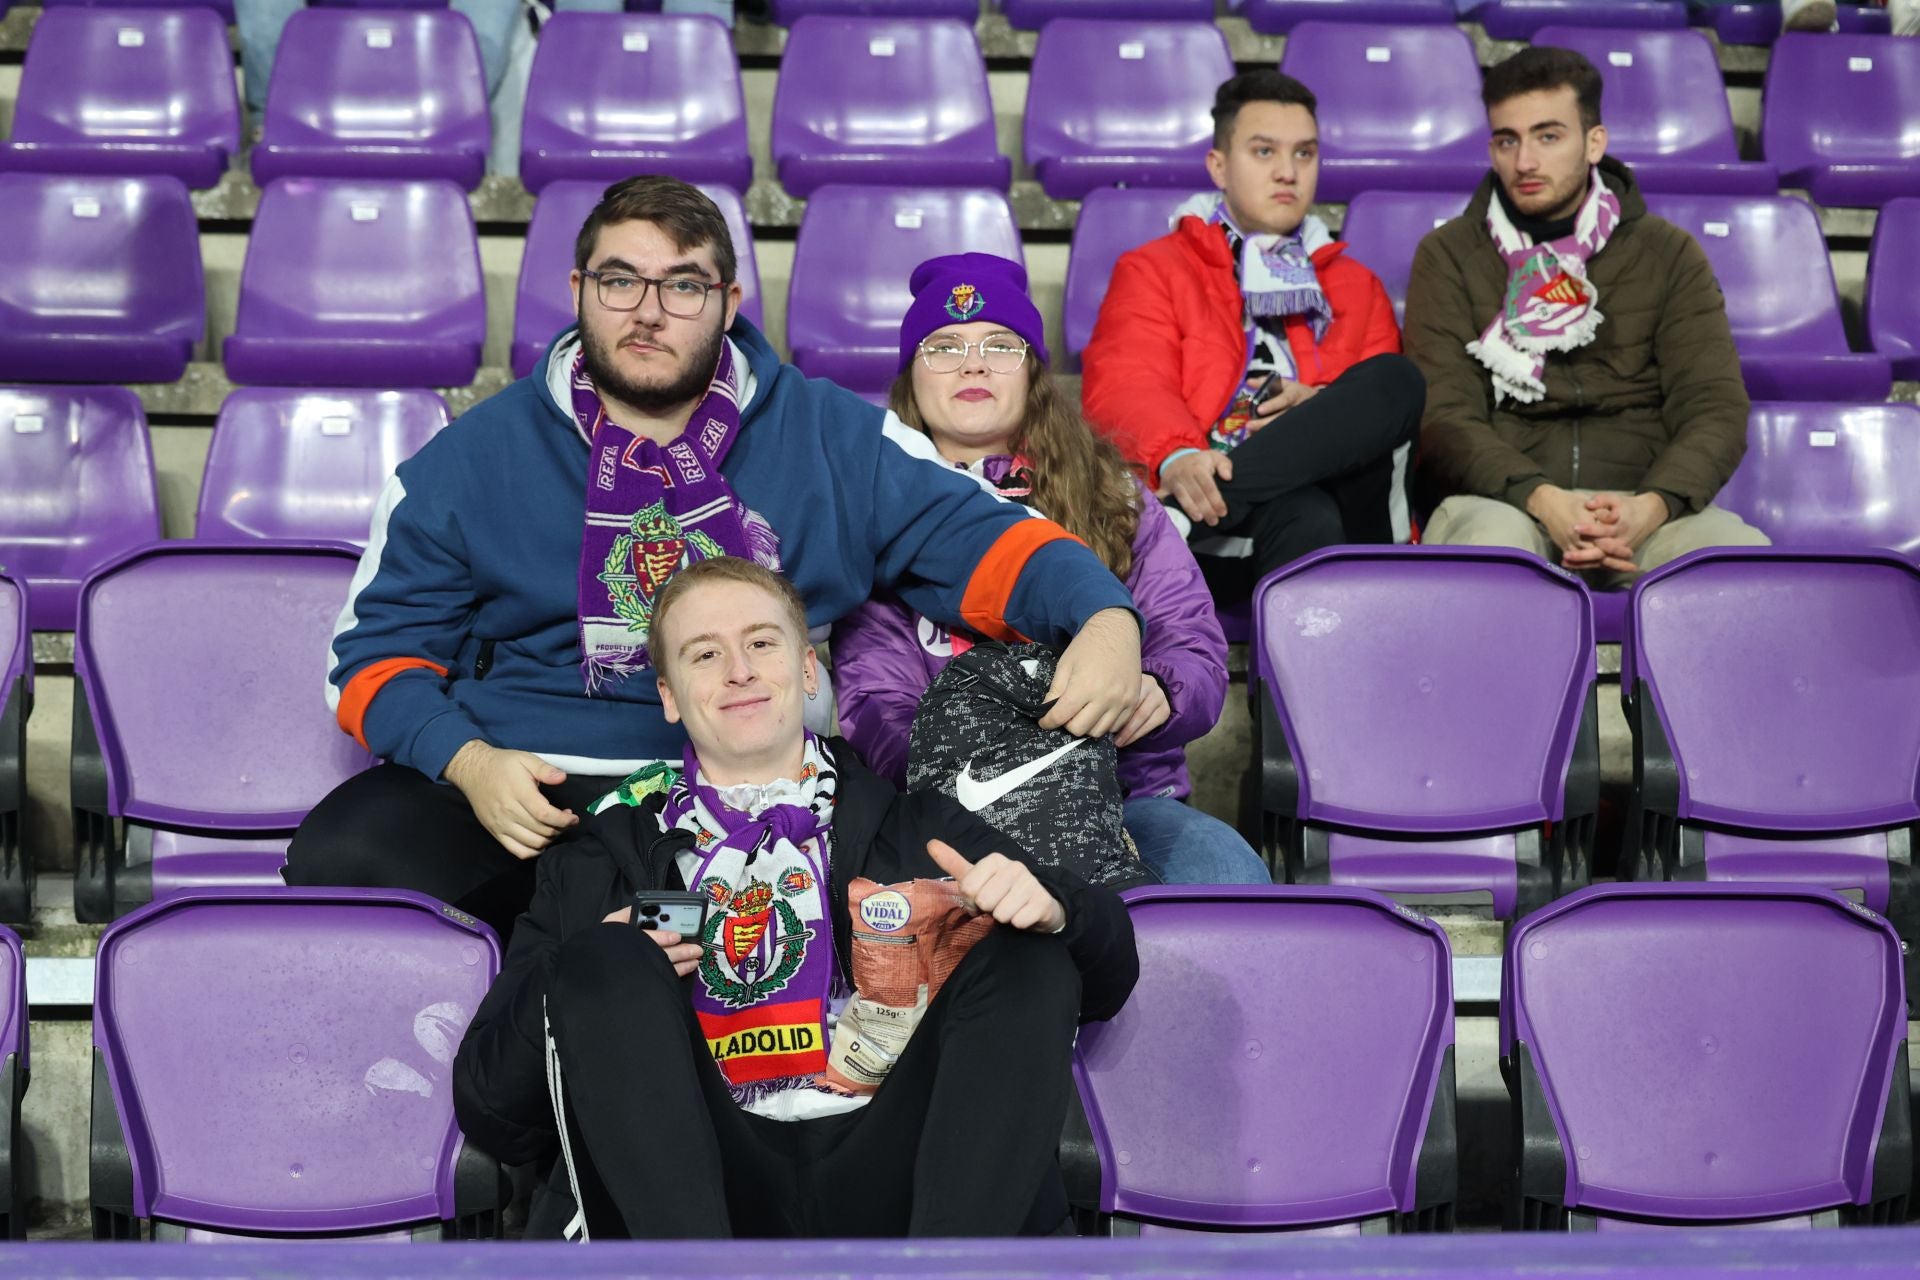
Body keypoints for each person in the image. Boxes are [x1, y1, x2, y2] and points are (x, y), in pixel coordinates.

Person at [288, 176, 1145, 939]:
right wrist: (467, 762)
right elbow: (370, 657)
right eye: (621, 280)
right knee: (345, 852)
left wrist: (1105, 618)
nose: (649, 310)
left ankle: (617, 986)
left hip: (748, 788)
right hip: (529, 789)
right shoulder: (471, 458)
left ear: (730, 300)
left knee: (778, 918)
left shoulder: (827, 434)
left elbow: (991, 537)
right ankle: (532, 1022)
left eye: (684, 285)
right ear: (578, 290)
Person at [453, 557, 1138, 1239]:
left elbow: (1108, 977)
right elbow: (493, 1108)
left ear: (808, 669)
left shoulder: (918, 827)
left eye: (760, 643)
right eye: (705, 654)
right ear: (669, 696)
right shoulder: (598, 862)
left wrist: (1056, 910)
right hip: (694, 1182)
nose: (739, 670)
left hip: (905, 1175)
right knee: (600, 957)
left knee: (1031, 953)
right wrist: (579, 980)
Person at [833, 254, 1268, 886]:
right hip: (954, 813)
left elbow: (1191, 643)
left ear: (1034, 371)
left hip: (1126, 800)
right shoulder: (876, 516)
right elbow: (875, 703)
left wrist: (1160, 694)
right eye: (944, 346)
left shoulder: (1112, 494)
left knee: (1228, 876)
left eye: (1000, 345)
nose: (973, 363)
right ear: (911, 380)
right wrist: (986, 764)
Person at [1407, 47, 1769, 580]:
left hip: (1644, 514)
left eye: (1548, 136)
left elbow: (1715, 406)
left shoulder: (1667, 253)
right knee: (1493, 550)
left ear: (1594, 142)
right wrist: (1543, 500)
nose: (1525, 161)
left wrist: (1652, 506)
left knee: (1739, 557)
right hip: (1507, 505)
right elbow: (1444, 417)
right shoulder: (1449, 256)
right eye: (1508, 140)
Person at [1080, 69, 1427, 582]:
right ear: (1218, 166)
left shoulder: (1358, 284)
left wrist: (1321, 407)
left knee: (1397, 379)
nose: (1287, 171)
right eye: (1264, 152)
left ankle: (1172, 527)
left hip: (1348, 507)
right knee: (1307, 515)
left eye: (1304, 154)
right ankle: (1201, 510)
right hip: (1223, 520)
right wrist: (1177, 455)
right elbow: (1127, 380)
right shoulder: (1156, 268)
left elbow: (1374, 416)